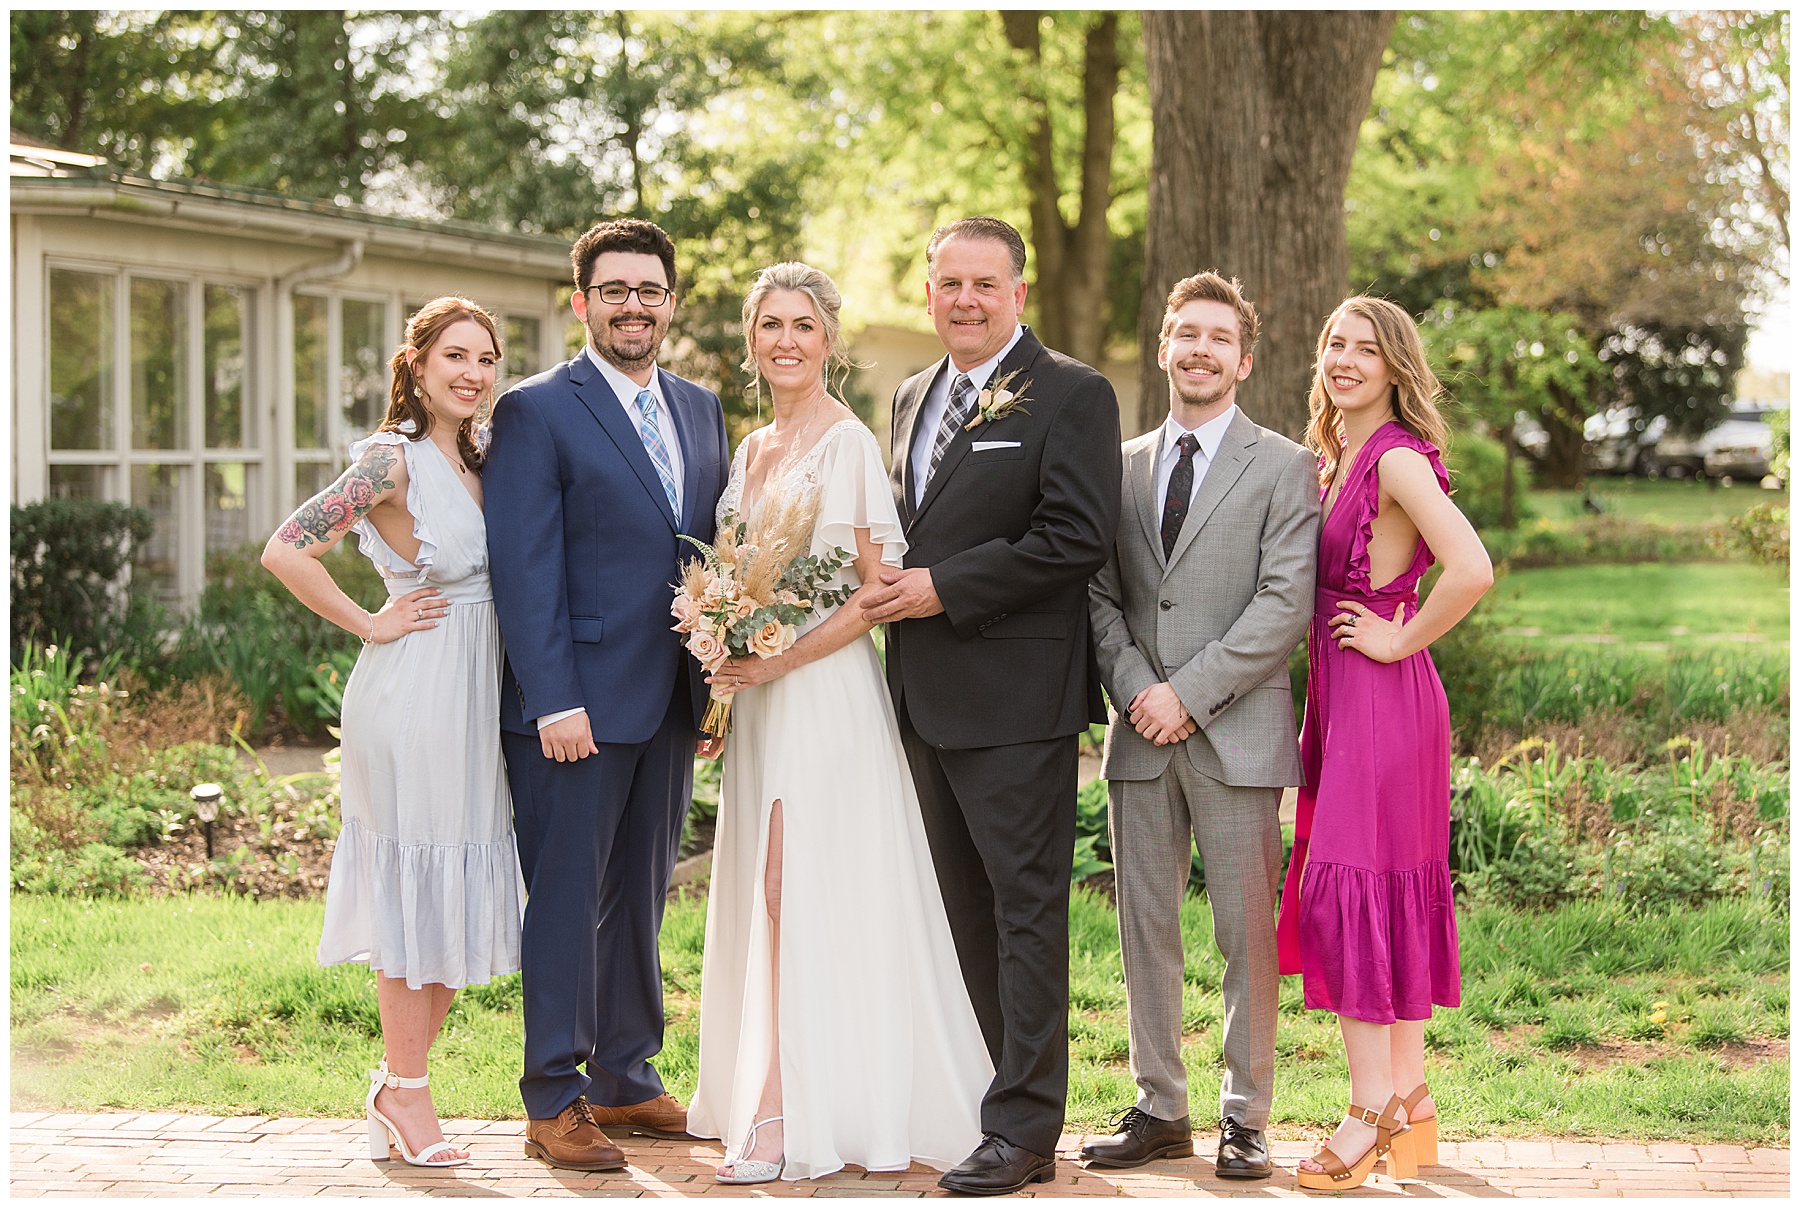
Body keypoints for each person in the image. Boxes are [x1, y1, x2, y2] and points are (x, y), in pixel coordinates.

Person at [686, 262, 993, 1185]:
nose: (786, 340)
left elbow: (878, 595)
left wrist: (775, 659)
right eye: (770, 325)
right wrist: (725, 672)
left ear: (830, 341)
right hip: (761, 705)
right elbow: (742, 578)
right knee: (761, 888)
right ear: (752, 340)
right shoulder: (748, 450)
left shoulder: (851, 446)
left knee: (794, 889)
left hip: (824, 699)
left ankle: (788, 1108)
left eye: (803, 326)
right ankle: (757, 1087)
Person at [863, 216, 1122, 1196]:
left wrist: (942, 588)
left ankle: (1025, 1128)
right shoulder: (909, 397)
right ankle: (989, 1098)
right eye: (948, 283)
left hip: (1017, 701)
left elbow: (1076, 535)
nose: (965, 299)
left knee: (1026, 912)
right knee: (963, 913)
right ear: (928, 292)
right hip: (923, 699)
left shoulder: (1072, 393)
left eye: (985, 283)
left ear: (1019, 293)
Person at [484, 219, 731, 1171]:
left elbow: (707, 553)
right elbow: (524, 565)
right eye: (615, 289)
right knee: (565, 899)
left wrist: (713, 689)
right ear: (580, 301)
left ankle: (627, 1076)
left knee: (640, 895)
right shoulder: (538, 409)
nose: (635, 306)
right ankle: (554, 1094)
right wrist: (552, 699)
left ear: (672, 303)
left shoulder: (702, 409)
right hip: (573, 706)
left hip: (670, 700)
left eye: (651, 290)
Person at [260, 296, 521, 1169]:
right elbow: (286, 548)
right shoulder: (390, 462)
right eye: (455, 355)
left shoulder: (485, 455)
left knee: (456, 885)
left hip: (479, 695)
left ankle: (394, 1083)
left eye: (486, 358)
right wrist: (369, 621)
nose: (473, 373)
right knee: (421, 886)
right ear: (415, 364)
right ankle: (407, 1093)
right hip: (414, 690)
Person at [1084, 272, 1319, 1179]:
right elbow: (1099, 595)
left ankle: (1246, 1115)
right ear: (1164, 346)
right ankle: (1159, 1107)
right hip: (1139, 735)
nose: (1200, 350)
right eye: (1186, 334)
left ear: (1245, 359)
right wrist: (1141, 688)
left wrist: (1190, 692)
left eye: (1218, 338)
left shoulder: (1286, 465)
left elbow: (1283, 603)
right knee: (1146, 930)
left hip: (1236, 735)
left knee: (1243, 936)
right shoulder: (1120, 463)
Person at [1275, 297, 1493, 1192]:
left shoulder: (1396, 458)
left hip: (1382, 699)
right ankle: (1408, 1095)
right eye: (1334, 344)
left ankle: (1365, 1113)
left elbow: (1471, 566)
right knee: (1380, 896)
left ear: (1397, 368)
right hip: (1351, 699)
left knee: (1350, 898)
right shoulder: (1343, 455)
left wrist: (1401, 638)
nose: (1346, 361)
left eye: (1367, 350)